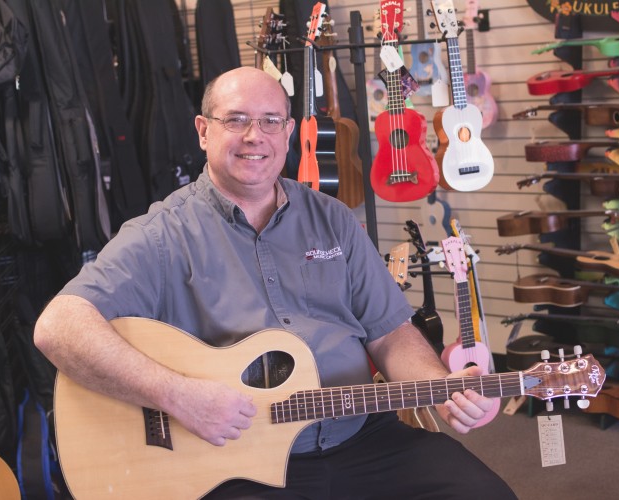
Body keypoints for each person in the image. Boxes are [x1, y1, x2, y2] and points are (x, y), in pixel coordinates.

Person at [34, 66, 516, 499]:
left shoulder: (333, 219)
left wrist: (439, 386)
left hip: (361, 435)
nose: (254, 136)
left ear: (288, 132)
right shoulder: (161, 235)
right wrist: (177, 395)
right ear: (203, 132)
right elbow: (58, 327)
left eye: (269, 121)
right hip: (236, 461)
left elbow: (390, 330)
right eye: (236, 119)